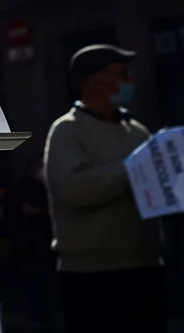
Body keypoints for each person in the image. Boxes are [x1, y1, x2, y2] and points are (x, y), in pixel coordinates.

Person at [42, 44, 163, 333]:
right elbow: (75, 188)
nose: (130, 81)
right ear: (95, 82)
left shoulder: (137, 131)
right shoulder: (66, 131)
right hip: (90, 277)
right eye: (122, 74)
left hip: (144, 269)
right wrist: (133, 170)